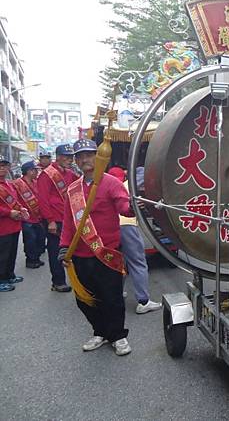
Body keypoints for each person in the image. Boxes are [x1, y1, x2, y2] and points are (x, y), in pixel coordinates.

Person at [59, 139, 134, 356]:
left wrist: (136, 206)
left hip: (106, 252)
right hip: (80, 256)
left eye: (89, 155)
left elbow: (125, 207)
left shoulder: (110, 183)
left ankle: (118, 336)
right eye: (80, 156)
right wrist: (64, 248)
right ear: (76, 161)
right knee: (85, 299)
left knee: (112, 297)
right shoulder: (73, 190)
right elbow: (68, 222)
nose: (85, 160)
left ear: (98, 156)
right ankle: (99, 332)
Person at [107, 166, 161, 315]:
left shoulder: (114, 185)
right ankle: (143, 301)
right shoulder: (131, 187)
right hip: (127, 225)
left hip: (112, 226)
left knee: (119, 262)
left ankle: (117, 293)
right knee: (138, 263)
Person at [37, 144, 77, 292]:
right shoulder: (46, 175)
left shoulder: (69, 173)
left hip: (69, 218)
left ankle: (77, 279)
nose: (70, 160)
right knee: (56, 251)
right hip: (56, 220)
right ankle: (58, 281)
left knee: (73, 250)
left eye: (71, 157)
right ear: (58, 156)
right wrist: (50, 220)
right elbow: (43, 200)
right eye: (66, 157)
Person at [0, 155, 26, 292]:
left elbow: (16, 201)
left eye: (4, 165)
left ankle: (10, 275)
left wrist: (21, 208)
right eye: (0, 166)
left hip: (14, 225)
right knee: (2, 255)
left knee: (12, 253)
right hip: (2, 227)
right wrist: (8, 212)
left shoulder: (9, 184)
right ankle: (1, 279)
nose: (2, 168)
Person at [14, 161, 45, 268]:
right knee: (30, 240)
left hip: (38, 217)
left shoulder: (36, 182)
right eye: (35, 170)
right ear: (29, 171)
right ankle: (31, 260)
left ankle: (36, 257)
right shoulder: (17, 184)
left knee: (39, 238)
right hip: (27, 219)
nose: (37, 172)